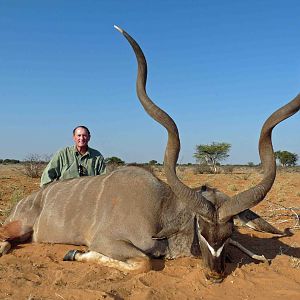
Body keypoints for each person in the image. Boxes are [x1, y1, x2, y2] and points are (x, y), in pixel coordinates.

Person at [40, 125, 106, 187]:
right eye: (79, 135)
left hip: (88, 194)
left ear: (89, 137)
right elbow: (47, 178)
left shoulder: (97, 156)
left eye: (84, 135)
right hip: (65, 194)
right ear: (74, 138)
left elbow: (103, 179)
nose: (82, 138)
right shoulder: (63, 154)